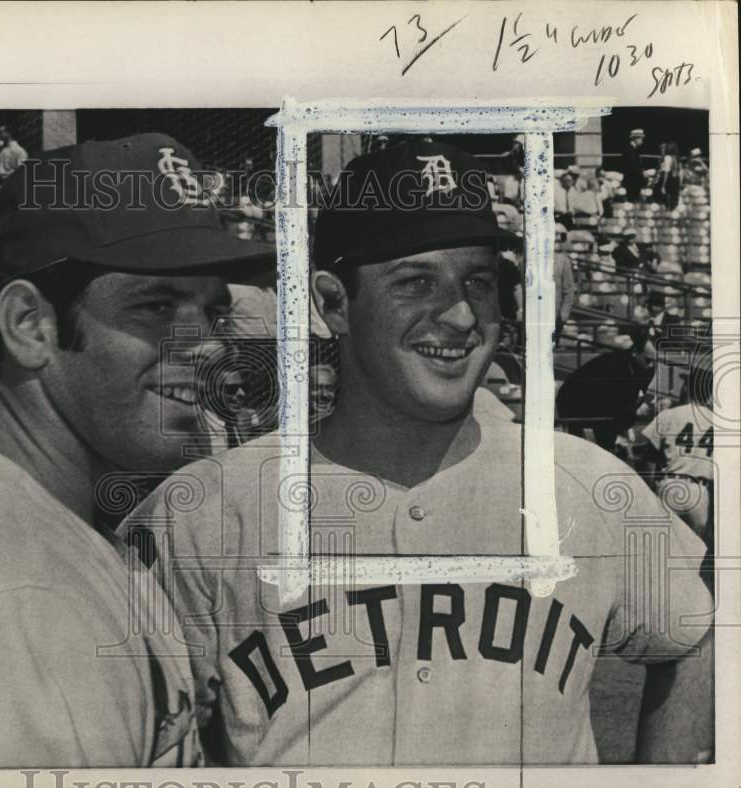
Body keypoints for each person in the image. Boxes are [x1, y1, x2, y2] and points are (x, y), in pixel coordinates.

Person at [126, 140, 712, 766]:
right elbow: (147, 733)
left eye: (479, 283)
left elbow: (695, 635)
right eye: (415, 283)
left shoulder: (584, 482)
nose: (461, 316)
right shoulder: (206, 510)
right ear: (331, 304)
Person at [0, 134, 276, 768]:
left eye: (210, 312)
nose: (203, 346)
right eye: (154, 306)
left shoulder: (29, 513)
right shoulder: (20, 602)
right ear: (29, 327)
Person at [640, 361, 715, 544]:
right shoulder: (716, 421)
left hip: (669, 485)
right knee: (696, 551)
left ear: (687, 388)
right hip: (699, 490)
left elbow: (649, 457)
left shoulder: (670, 415)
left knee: (664, 546)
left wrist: (650, 492)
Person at [556, 328, 657, 452]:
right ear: (635, 352)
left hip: (603, 401)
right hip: (575, 400)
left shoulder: (644, 368)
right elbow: (612, 403)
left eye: (653, 361)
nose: (651, 365)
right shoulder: (613, 365)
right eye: (648, 360)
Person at [652, 141, 681, 211]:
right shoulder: (675, 158)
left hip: (669, 180)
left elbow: (666, 172)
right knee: (672, 199)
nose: (663, 151)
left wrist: (663, 185)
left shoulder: (668, 158)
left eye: (664, 149)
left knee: (666, 198)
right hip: (674, 180)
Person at [621, 128, 646, 202]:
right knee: (633, 199)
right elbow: (632, 166)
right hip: (632, 180)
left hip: (633, 180)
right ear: (635, 139)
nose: (642, 141)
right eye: (641, 139)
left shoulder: (633, 149)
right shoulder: (630, 150)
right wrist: (642, 173)